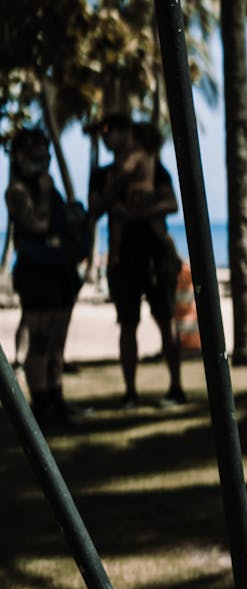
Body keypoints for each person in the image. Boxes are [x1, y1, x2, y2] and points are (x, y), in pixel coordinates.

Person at [90, 116, 186, 410]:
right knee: (127, 324)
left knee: (165, 320)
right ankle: (130, 392)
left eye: (109, 131)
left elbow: (172, 204)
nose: (105, 138)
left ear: (128, 134)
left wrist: (137, 213)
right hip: (124, 255)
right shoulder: (105, 173)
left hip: (155, 253)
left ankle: (176, 387)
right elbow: (95, 208)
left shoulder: (154, 168)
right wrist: (115, 187)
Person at [5, 128, 87, 428]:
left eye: (46, 156)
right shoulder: (17, 190)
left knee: (57, 340)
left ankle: (56, 397)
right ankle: (41, 402)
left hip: (58, 271)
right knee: (39, 338)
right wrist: (41, 191)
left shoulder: (47, 187)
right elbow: (38, 225)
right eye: (36, 156)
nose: (43, 162)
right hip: (36, 273)